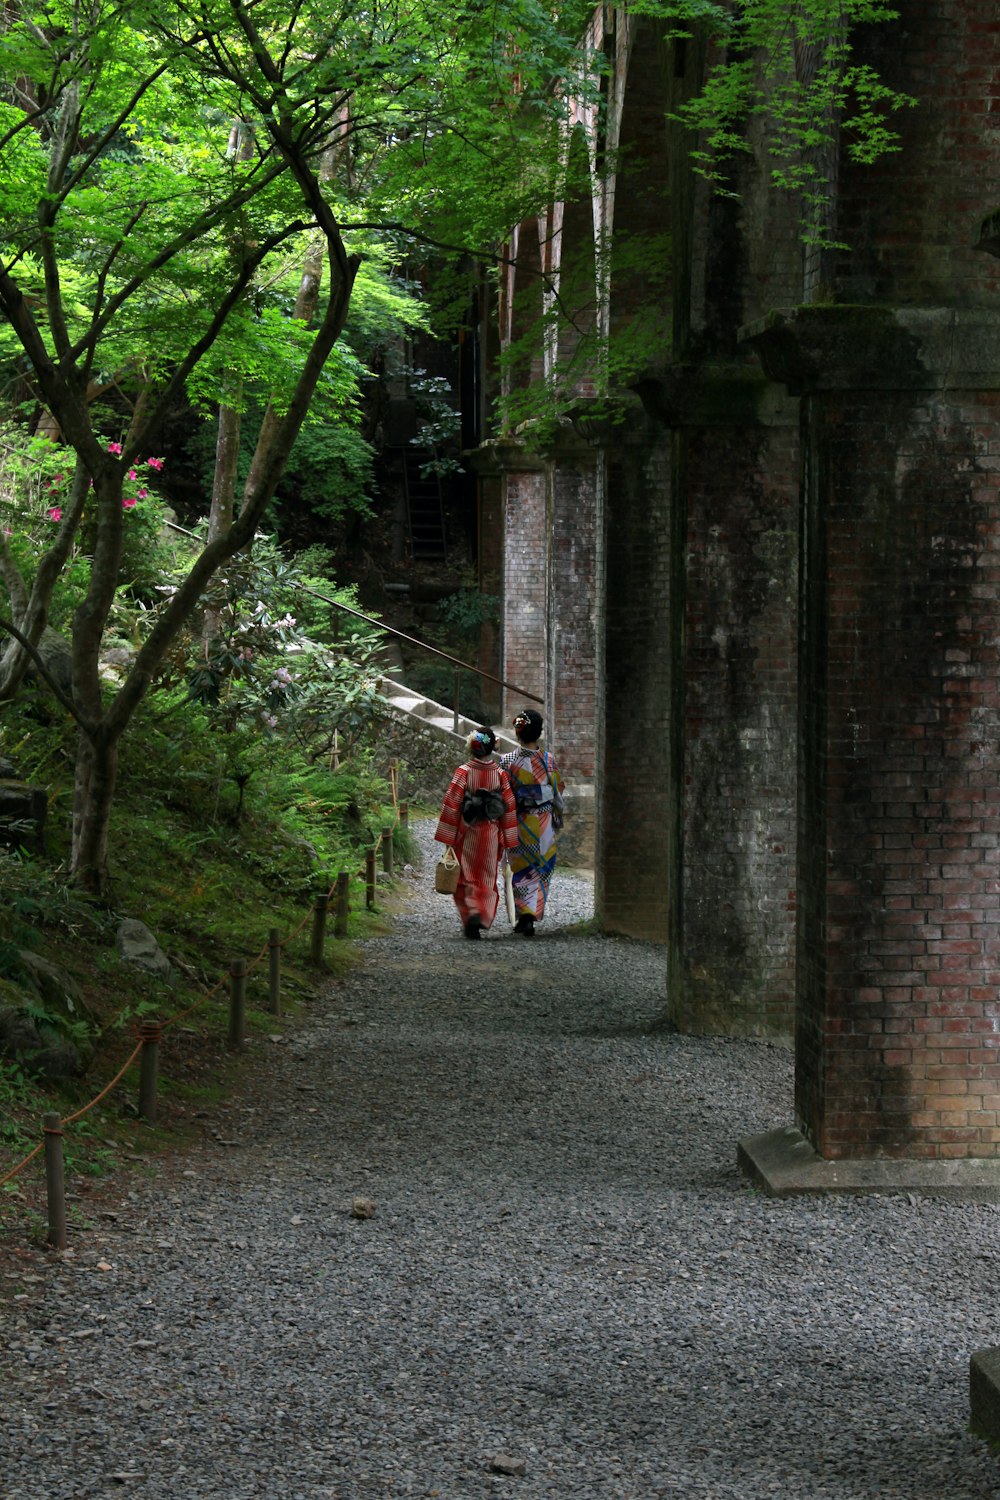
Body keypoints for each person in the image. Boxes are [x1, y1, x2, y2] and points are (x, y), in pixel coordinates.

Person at [435, 727, 518, 940]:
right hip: (490, 833)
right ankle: (481, 914)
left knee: (464, 876)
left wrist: (448, 836)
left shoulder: (464, 772)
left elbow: (452, 804)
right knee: (486, 877)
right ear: (493, 748)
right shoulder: (499, 774)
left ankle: (470, 914)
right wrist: (508, 838)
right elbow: (508, 805)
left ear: (472, 746)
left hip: (467, 831)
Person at [500, 708, 565, 937]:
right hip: (544, 822)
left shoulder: (507, 761)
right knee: (543, 867)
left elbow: (504, 795)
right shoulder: (548, 760)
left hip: (520, 821)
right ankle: (531, 915)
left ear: (518, 732)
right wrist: (559, 813)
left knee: (520, 868)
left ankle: (524, 916)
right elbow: (558, 791)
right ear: (539, 733)